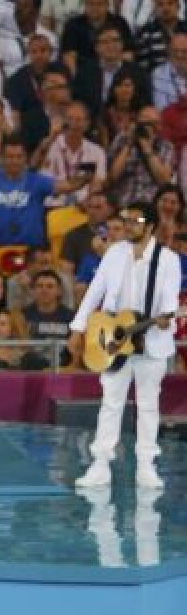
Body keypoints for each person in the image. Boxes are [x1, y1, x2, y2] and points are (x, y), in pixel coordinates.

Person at [70, 200, 182, 491]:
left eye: (135, 221)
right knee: (111, 402)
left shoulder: (167, 259)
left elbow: (171, 302)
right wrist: (78, 328)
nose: (128, 226)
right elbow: (95, 291)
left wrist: (166, 320)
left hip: (151, 342)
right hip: (113, 340)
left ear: (151, 226)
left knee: (148, 404)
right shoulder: (114, 253)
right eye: (125, 220)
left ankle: (146, 466)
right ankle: (100, 465)